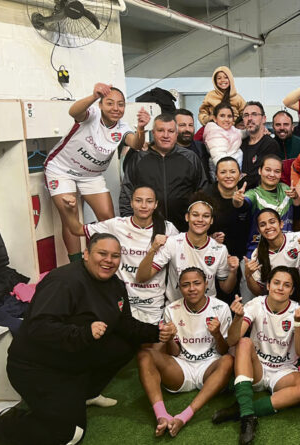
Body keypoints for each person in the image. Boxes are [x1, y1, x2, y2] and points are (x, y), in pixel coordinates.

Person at [0, 233, 176, 445]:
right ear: (86, 254)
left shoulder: (115, 284)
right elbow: (38, 327)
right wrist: (83, 332)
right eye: (102, 253)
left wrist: (156, 332)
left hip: (69, 359)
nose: (109, 260)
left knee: (125, 344)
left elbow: (124, 324)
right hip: (35, 367)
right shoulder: (64, 281)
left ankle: (86, 393)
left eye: (115, 256)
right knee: (70, 434)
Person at [44, 82, 148, 262]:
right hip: (61, 170)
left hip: (91, 175)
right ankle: (76, 264)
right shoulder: (91, 115)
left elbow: (136, 144)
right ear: (100, 104)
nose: (115, 108)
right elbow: (73, 112)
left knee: (107, 219)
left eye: (120, 104)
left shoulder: (122, 128)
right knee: (70, 217)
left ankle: (102, 258)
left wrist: (141, 128)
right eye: (109, 103)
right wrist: (93, 95)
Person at [212, 266, 300, 445]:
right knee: (244, 342)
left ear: (292, 290)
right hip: (256, 367)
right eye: (276, 283)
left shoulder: (298, 311)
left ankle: (244, 410)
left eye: (286, 285)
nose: (280, 288)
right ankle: (248, 420)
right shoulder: (256, 304)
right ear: (268, 285)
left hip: (283, 371)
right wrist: (237, 318)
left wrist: (298, 323)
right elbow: (233, 340)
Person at [136, 267, 234, 437]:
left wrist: (217, 334)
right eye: (186, 285)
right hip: (181, 367)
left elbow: (224, 350)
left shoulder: (221, 308)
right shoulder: (172, 309)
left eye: (197, 283)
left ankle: (185, 415)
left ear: (206, 284)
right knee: (144, 355)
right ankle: (162, 416)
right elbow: (174, 353)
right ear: (180, 288)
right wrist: (170, 338)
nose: (192, 288)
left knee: (228, 361)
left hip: (209, 368)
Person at [61, 185, 178, 324]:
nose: (144, 205)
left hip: (152, 302)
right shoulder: (117, 225)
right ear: (131, 203)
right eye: (138, 200)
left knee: (151, 343)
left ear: (156, 204)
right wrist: (70, 210)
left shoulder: (168, 229)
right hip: (120, 299)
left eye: (149, 201)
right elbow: (76, 229)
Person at [136, 195, 239, 302]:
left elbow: (227, 289)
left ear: (211, 220)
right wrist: (153, 249)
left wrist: (233, 272)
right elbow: (141, 278)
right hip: (175, 309)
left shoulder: (220, 249)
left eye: (206, 216)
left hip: (206, 311)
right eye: (195, 215)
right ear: (187, 217)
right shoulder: (173, 243)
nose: (200, 219)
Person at [120, 114, 209, 232]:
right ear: (153, 133)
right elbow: (127, 192)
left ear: (176, 134)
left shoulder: (190, 158)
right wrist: (129, 224)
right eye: (161, 130)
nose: (166, 135)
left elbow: (202, 192)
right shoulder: (138, 158)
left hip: (184, 230)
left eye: (171, 131)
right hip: (146, 230)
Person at [235, 154, 300, 257]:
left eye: (277, 171)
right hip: (258, 252)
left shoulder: (286, 189)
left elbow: (299, 216)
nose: (272, 174)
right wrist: (237, 201)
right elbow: (243, 205)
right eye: (268, 170)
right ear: (260, 171)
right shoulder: (253, 194)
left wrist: (296, 199)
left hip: (286, 250)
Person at [205, 157, 252, 265]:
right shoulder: (206, 196)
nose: (228, 176)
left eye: (232, 172)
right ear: (216, 176)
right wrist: (210, 238)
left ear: (240, 175)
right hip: (213, 255)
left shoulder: (249, 193)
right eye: (223, 172)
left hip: (243, 256)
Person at [240, 102, 283, 190]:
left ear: (263, 119)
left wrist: (239, 177)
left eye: (254, 114)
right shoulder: (240, 143)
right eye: (246, 115)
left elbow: (259, 177)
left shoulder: (270, 144)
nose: (249, 118)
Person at [204, 102, 245, 171]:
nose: (226, 119)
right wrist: (231, 174)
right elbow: (219, 159)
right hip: (226, 173)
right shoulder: (214, 134)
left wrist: (259, 131)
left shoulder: (232, 129)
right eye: (222, 116)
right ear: (215, 118)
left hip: (234, 169)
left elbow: (242, 133)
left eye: (229, 116)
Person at [175, 109, 212, 180]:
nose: (187, 129)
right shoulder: (167, 151)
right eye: (182, 125)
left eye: (191, 125)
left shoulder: (201, 147)